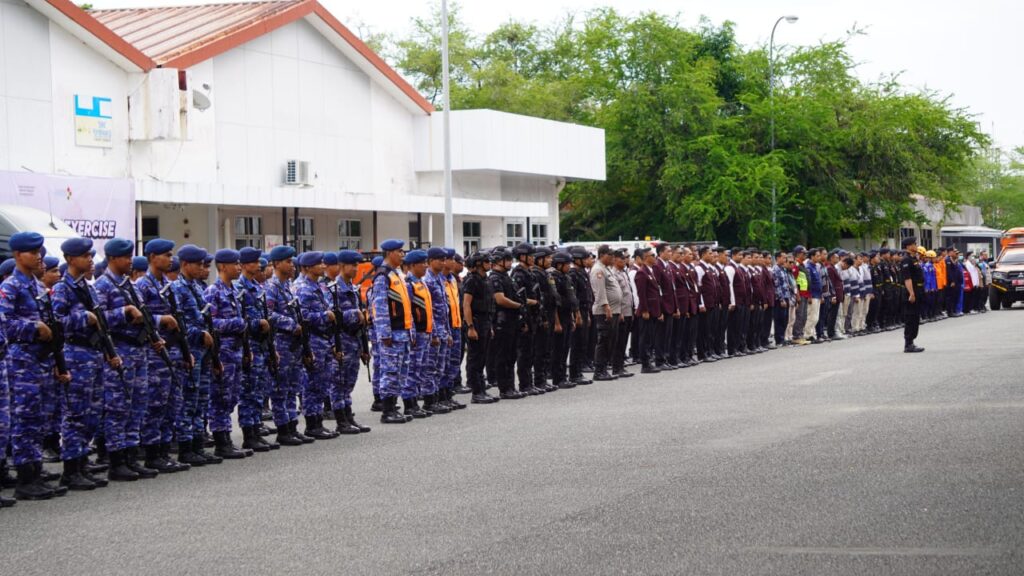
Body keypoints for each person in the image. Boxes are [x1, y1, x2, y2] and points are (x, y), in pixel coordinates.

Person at [0, 232, 71, 499]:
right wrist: (32, 327)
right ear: (18, 255)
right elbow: (4, 322)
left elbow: (51, 325)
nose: (38, 256)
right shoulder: (11, 286)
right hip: (22, 362)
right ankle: (25, 478)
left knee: (39, 418)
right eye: (32, 252)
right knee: (25, 420)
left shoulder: (38, 286)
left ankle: (35, 472)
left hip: (41, 360)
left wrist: (56, 360)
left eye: (40, 251)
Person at [372, 240, 417, 420]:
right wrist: (384, 333)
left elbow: (406, 306)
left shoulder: (396, 274)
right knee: (390, 372)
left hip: (403, 331)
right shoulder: (383, 275)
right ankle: (388, 411)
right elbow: (380, 306)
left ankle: (393, 408)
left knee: (400, 372)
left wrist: (411, 330)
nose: (402, 255)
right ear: (389, 253)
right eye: (399, 251)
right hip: (392, 334)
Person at [463, 251, 499, 402]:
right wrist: (470, 326)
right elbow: (466, 304)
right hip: (476, 321)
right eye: (486, 262)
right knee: (475, 359)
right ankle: (477, 392)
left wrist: (489, 326)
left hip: (485, 321)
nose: (489, 264)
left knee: (483, 358)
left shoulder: (486, 280)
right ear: (478, 264)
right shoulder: (472, 280)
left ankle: (482, 389)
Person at [589, 245, 621, 381]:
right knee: (603, 340)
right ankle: (599, 370)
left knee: (609, 340)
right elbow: (600, 291)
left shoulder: (606, 268)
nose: (612, 258)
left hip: (612, 310)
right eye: (610, 255)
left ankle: (603, 369)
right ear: (602, 255)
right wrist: (606, 306)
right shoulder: (598, 270)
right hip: (604, 311)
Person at [610, 250, 635, 378]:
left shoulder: (623, 272)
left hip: (628, 310)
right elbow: (616, 294)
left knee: (624, 340)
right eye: (621, 259)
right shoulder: (613, 273)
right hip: (621, 312)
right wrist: (618, 311)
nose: (624, 261)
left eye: (625, 259)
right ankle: (616, 367)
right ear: (615, 260)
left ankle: (621, 366)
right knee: (618, 341)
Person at [901, 237, 925, 353]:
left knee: (915, 317)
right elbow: (907, 278)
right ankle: (908, 343)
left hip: (918, 290)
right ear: (908, 246)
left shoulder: (913, 258)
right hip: (912, 292)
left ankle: (912, 342)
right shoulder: (906, 260)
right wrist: (911, 293)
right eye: (914, 244)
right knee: (910, 317)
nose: (916, 246)